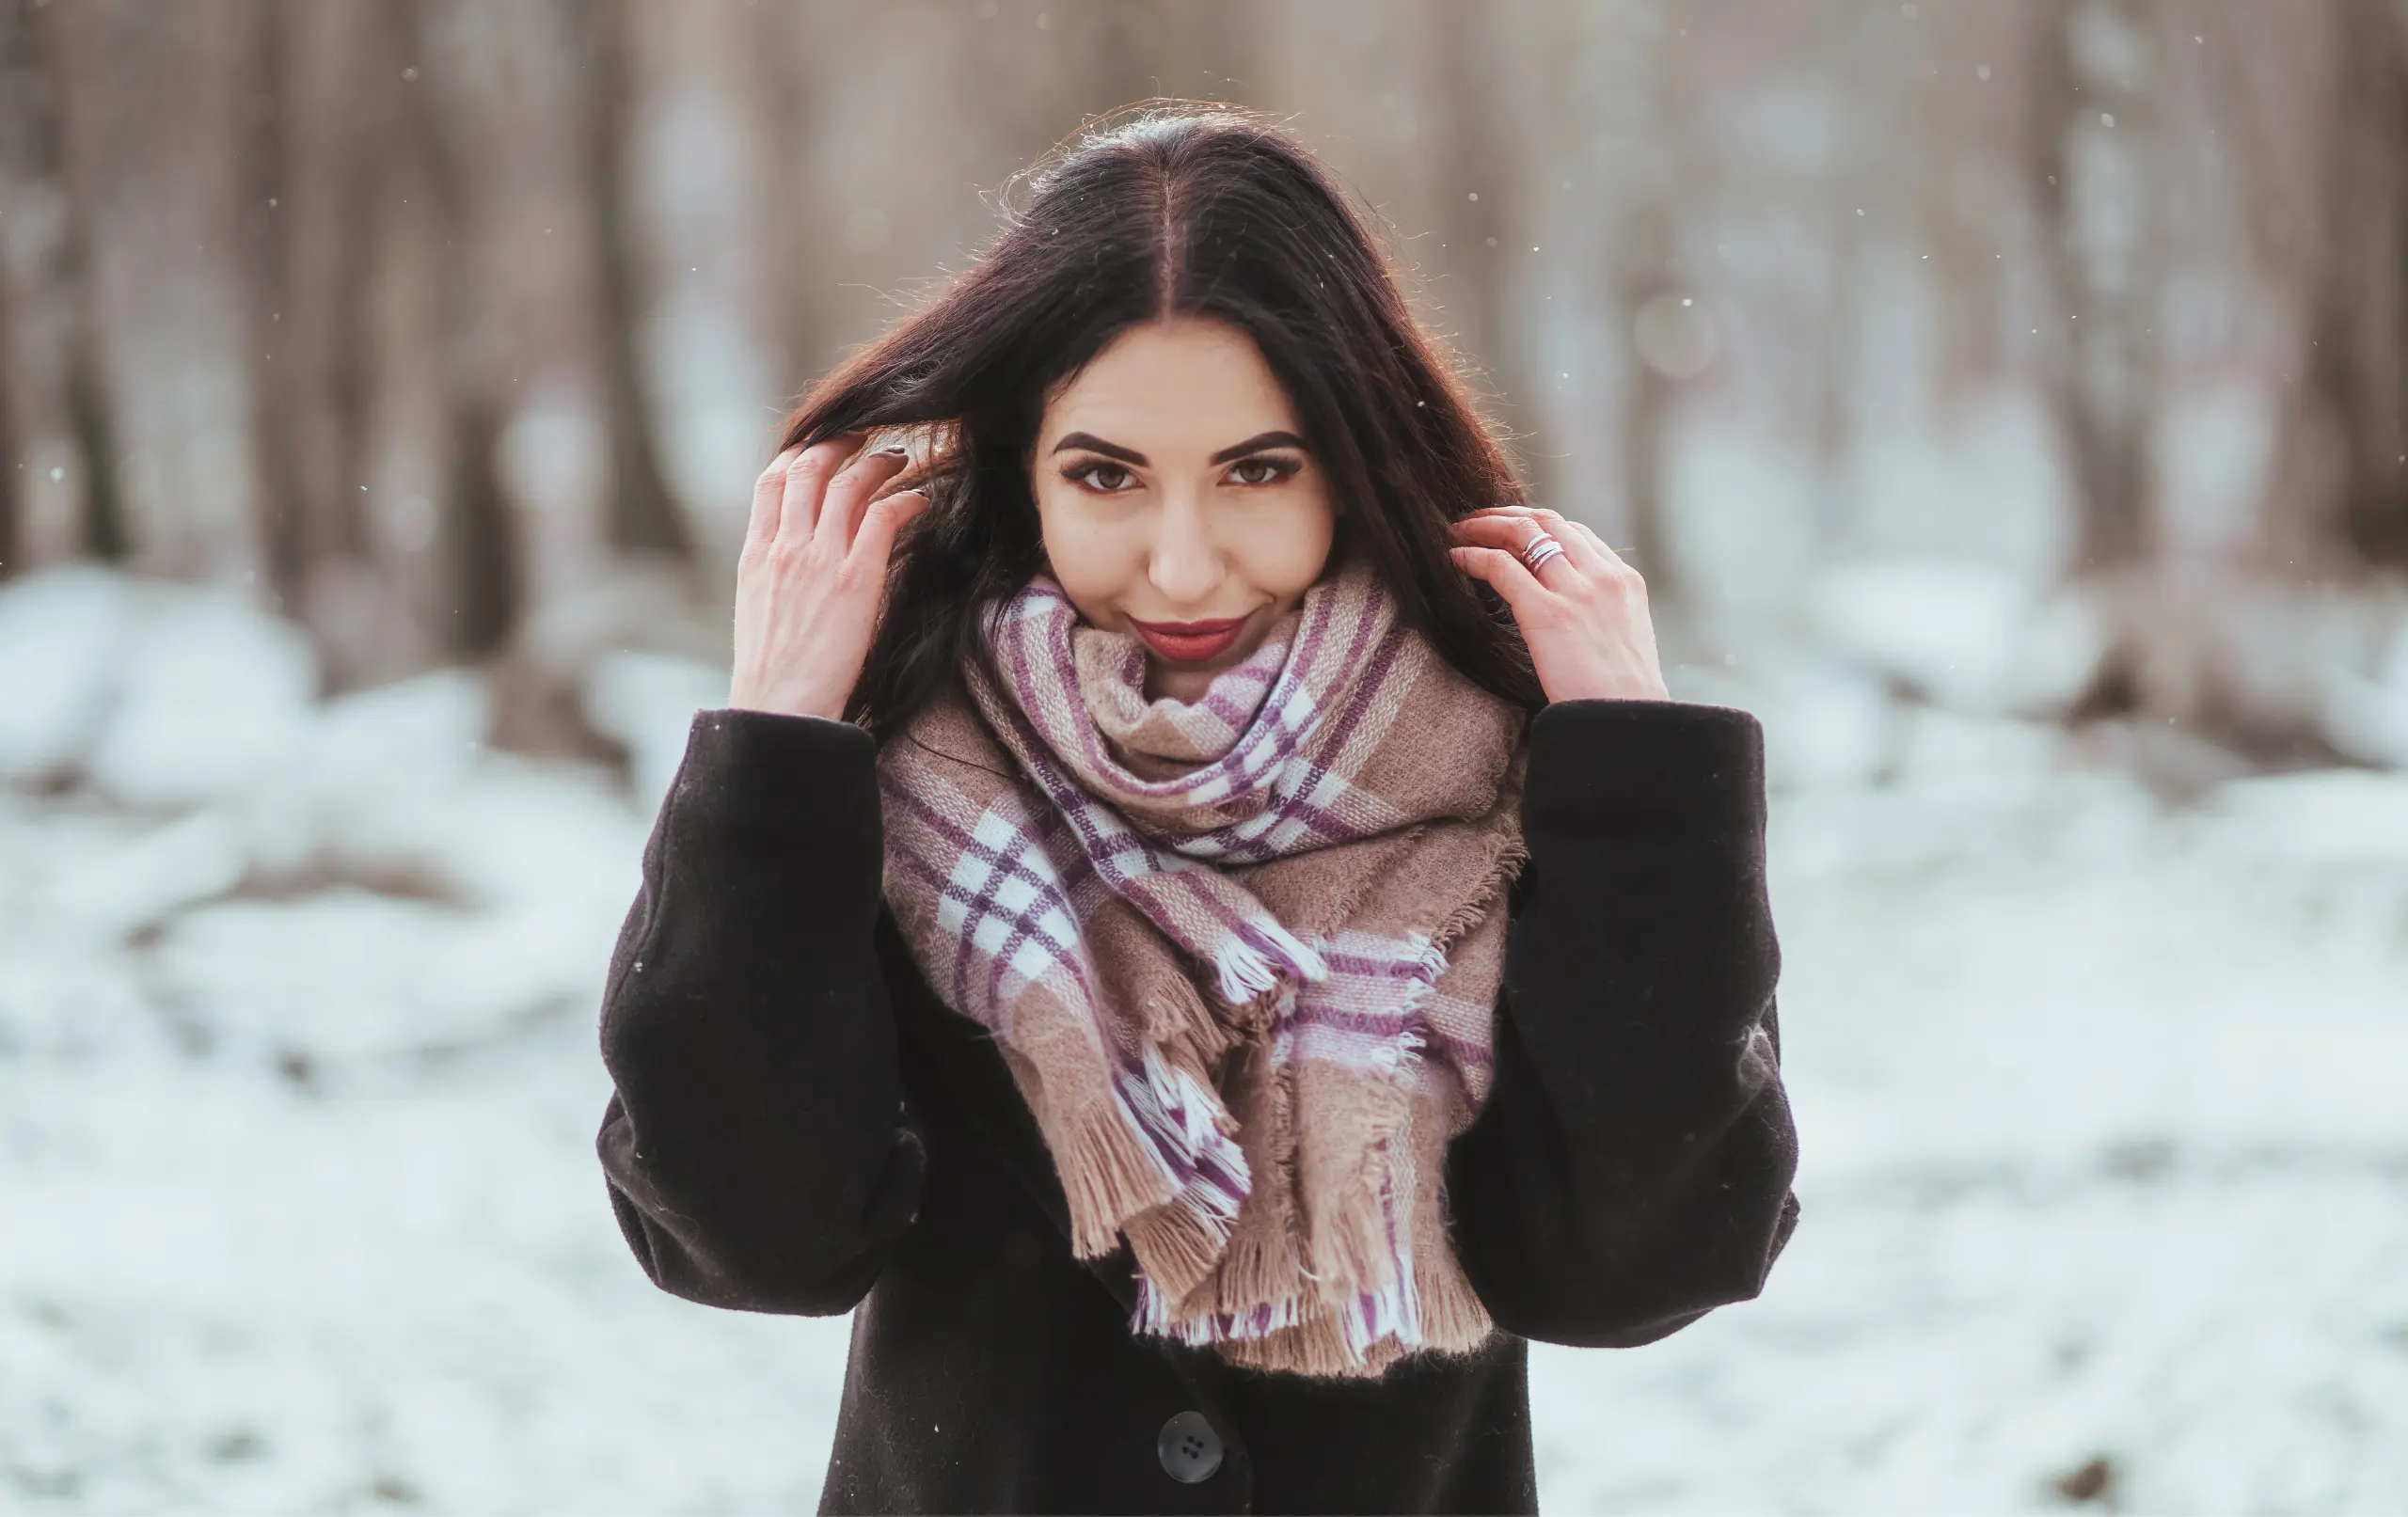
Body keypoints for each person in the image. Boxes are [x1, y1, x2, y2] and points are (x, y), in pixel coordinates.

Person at [595, 103, 1798, 1515]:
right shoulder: (893, 777)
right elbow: (750, 1240)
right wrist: (779, 735)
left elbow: (1639, 1264)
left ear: (1357, 463)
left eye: (1258, 470)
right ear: (1020, 469)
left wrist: (1639, 781)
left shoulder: (1517, 780)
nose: (1180, 567)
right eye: (1106, 475)